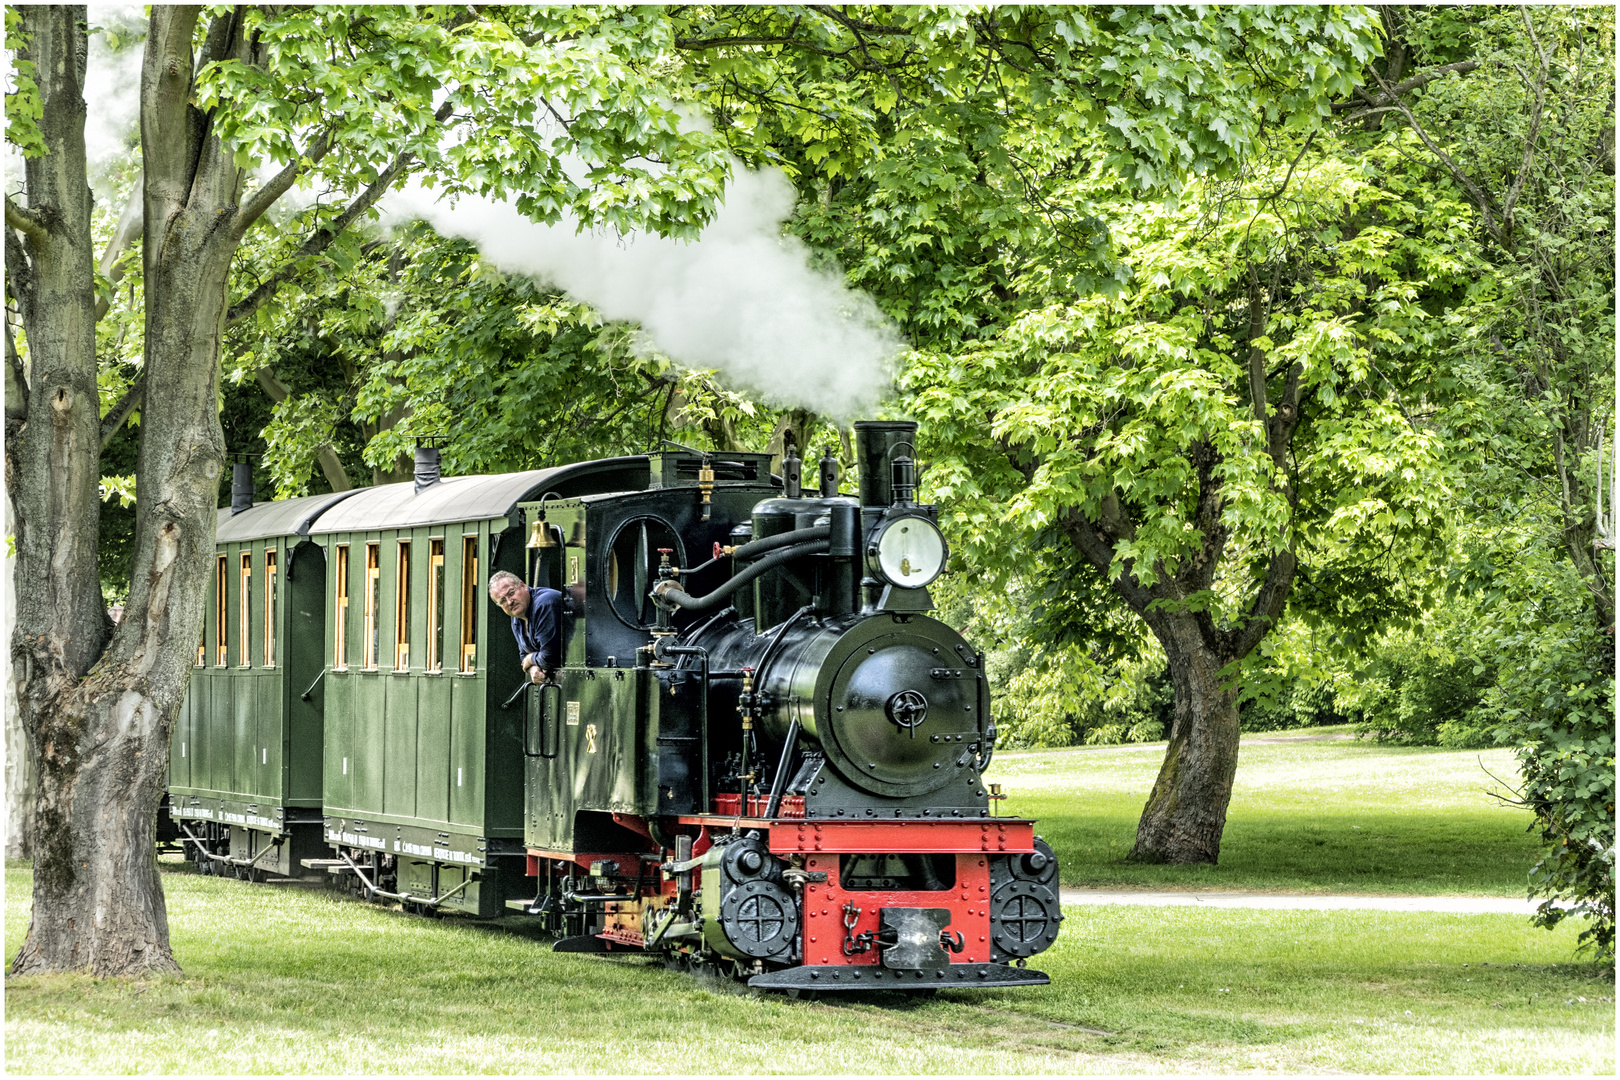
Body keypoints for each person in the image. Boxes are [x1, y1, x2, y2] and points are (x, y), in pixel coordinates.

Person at [488, 570, 565, 684]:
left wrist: (530, 659)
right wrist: (532, 668)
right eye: (502, 600)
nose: (509, 602)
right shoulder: (516, 616)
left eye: (511, 593)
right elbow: (523, 655)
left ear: (523, 585)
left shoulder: (545, 603)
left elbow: (550, 656)